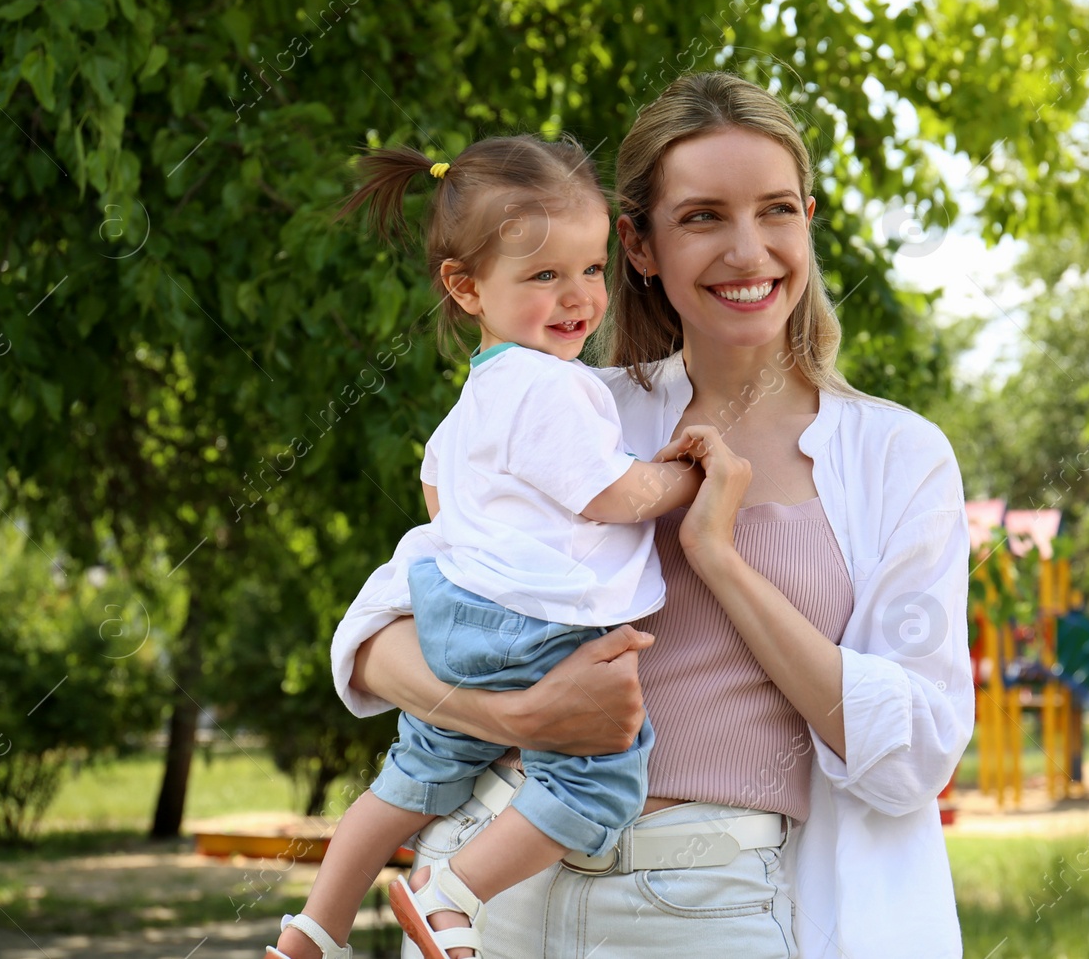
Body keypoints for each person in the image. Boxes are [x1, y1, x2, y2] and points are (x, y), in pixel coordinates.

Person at [332, 72, 975, 958]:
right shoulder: (571, 413)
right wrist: (523, 719)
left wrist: (719, 555)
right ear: (637, 245)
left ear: (809, 222)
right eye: (704, 216)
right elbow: (375, 636)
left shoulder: (897, 457)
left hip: (711, 904)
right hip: (488, 891)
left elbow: (916, 752)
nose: (749, 251)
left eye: (777, 210)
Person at [269, 135, 737, 959]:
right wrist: (687, 479)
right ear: (466, 287)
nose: (578, 298)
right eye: (544, 276)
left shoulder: (472, 400)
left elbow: (442, 505)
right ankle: (449, 893)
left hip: (456, 622)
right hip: (538, 629)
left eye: (591, 269)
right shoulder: (556, 386)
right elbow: (616, 496)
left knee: (416, 774)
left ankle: (313, 927)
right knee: (595, 779)